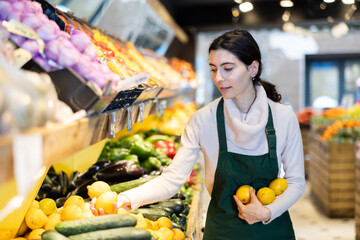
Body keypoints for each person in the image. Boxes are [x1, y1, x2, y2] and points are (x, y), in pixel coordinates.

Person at [91, 29, 305, 239]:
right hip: (222, 232)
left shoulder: (282, 118)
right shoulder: (204, 119)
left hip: (273, 231)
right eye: (213, 69)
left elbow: (296, 182)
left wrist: (266, 212)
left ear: (253, 68)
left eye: (228, 68)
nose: (219, 78)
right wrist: (124, 199)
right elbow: (172, 179)